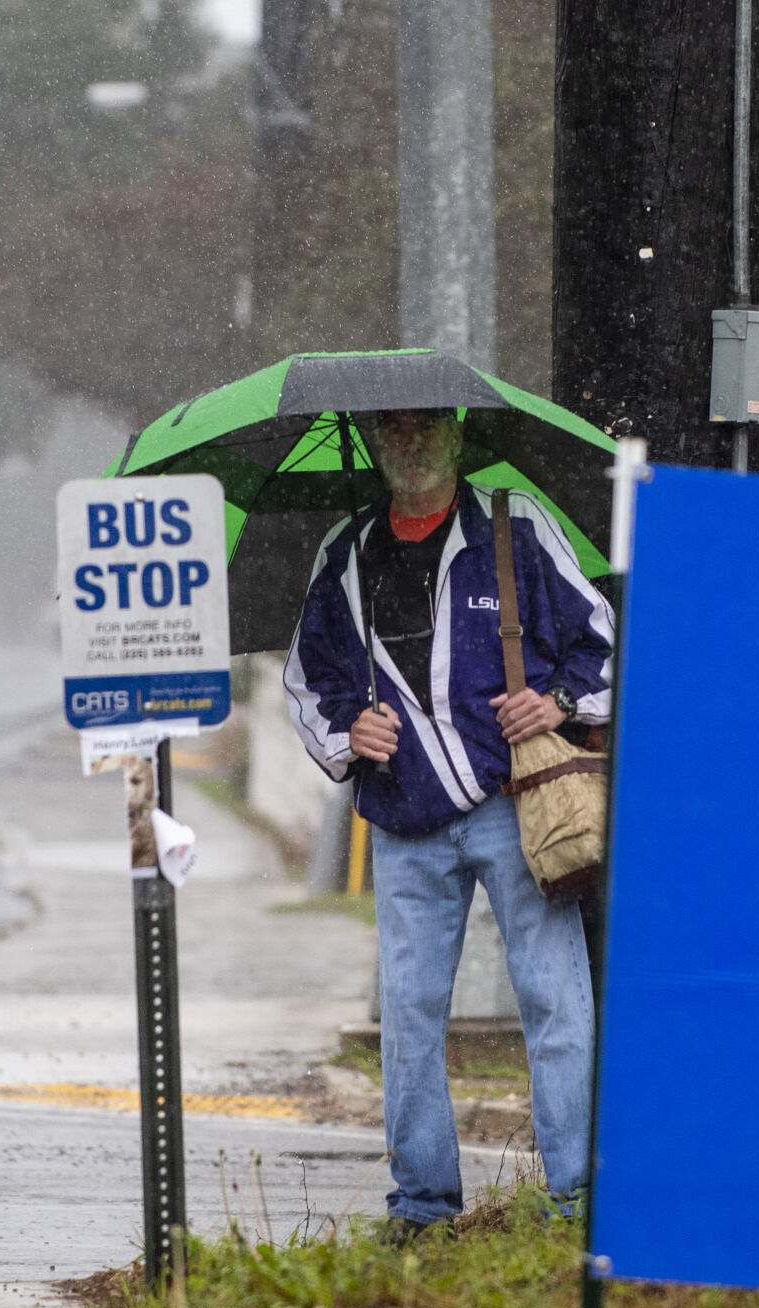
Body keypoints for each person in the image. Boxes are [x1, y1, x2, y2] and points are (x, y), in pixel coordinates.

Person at [283, 407, 614, 1235]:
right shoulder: (345, 555)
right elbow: (307, 680)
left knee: (555, 1003)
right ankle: (424, 1206)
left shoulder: (514, 528)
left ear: (457, 436)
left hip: (516, 809)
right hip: (401, 820)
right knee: (408, 1014)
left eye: (427, 426)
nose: (411, 442)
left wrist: (559, 700)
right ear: (373, 444)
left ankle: (572, 1198)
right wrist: (346, 731)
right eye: (392, 430)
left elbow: (599, 640)